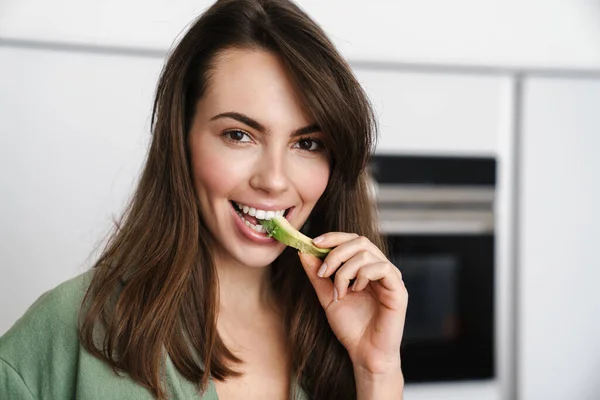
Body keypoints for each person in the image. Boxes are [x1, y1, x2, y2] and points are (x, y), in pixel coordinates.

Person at [0, 0, 408, 399]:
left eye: (307, 143)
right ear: (181, 139)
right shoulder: (69, 328)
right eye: (239, 135)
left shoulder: (345, 333)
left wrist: (377, 371)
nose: (274, 180)